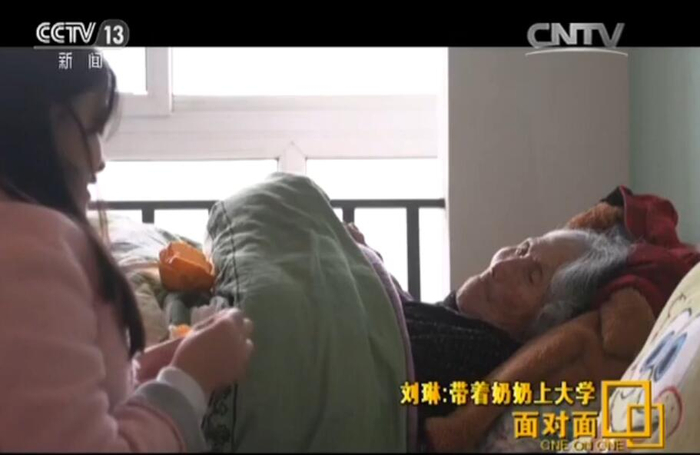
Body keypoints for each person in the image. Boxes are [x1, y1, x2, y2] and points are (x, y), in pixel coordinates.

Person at [0, 48, 254, 452]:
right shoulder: (30, 251)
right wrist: (191, 379)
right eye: (91, 129)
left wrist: (165, 363)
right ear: (36, 124)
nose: (99, 160)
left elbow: (66, 404)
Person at [346, 223, 630, 451]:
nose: (501, 267)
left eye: (532, 277)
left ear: (547, 322)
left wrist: (360, 262)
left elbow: (381, 345)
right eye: (522, 249)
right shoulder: (457, 322)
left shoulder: (478, 353)